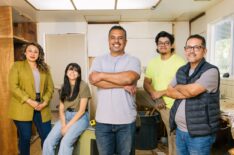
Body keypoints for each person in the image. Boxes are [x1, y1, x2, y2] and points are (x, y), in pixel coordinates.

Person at [89, 25, 141, 155]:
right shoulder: (99, 60)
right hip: (102, 121)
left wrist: (102, 75)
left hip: (126, 121)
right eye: (113, 38)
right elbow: (93, 80)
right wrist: (122, 84)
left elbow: (129, 78)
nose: (116, 41)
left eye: (120, 38)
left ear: (125, 41)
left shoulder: (133, 60)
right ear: (108, 40)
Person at [166, 34, 220, 155]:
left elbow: (192, 91)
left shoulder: (211, 71)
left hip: (200, 135)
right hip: (180, 131)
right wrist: (187, 91)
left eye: (196, 47)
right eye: (188, 47)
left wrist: (179, 87)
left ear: (204, 50)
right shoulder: (182, 70)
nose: (192, 51)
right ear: (185, 50)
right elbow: (169, 91)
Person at [8, 42, 54, 155]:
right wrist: (29, 100)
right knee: (25, 137)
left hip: (42, 105)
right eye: (30, 51)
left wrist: (45, 101)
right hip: (23, 105)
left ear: (39, 54)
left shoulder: (45, 68)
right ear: (25, 52)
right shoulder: (17, 65)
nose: (33, 54)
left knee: (47, 136)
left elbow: (50, 87)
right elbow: (13, 87)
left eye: (36, 51)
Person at [143, 31, 185, 155]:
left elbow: (182, 86)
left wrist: (160, 93)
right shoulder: (153, 62)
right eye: (160, 43)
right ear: (156, 46)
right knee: (171, 135)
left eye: (167, 43)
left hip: (177, 105)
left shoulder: (180, 62)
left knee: (175, 137)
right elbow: (146, 83)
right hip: (162, 105)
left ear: (171, 45)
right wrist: (156, 97)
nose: (163, 45)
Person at [43, 63, 91, 155]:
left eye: (76, 70)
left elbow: (81, 111)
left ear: (79, 74)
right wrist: (64, 124)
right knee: (48, 142)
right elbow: (61, 108)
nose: (73, 72)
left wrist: (67, 127)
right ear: (66, 72)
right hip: (66, 116)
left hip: (80, 118)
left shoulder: (83, 85)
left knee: (65, 142)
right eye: (70, 69)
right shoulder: (64, 86)